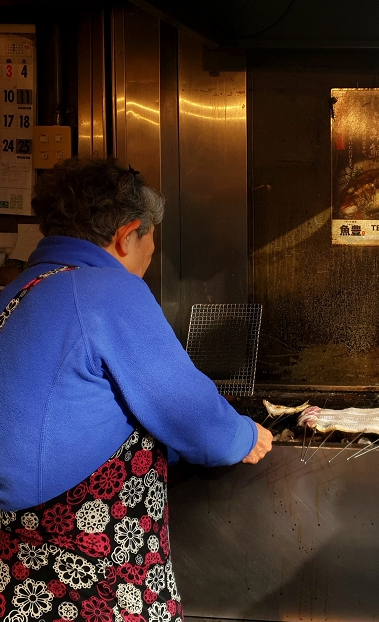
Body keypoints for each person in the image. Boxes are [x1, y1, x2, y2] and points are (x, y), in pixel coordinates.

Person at [0, 157, 272, 622]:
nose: (151, 254)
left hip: (15, 568)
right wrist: (244, 436)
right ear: (128, 234)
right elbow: (190, 413)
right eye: (150, 238)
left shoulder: (17, 289)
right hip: (79, 569)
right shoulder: (104, 289)